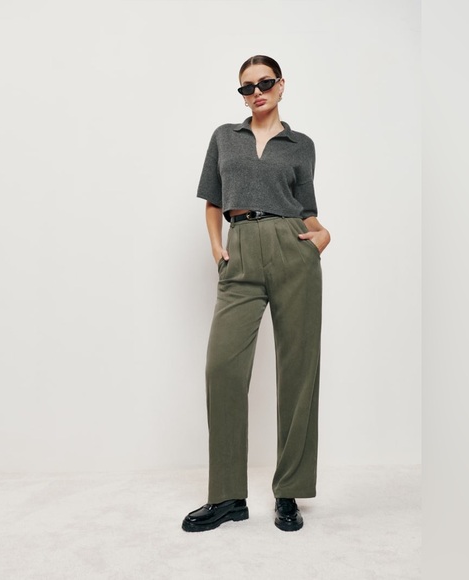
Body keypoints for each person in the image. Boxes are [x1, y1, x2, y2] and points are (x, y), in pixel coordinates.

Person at [181, 55, 331, 533]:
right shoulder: (225, 137)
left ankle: (289, 491)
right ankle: (228, 496)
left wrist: (322, 235)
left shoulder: (301, 145)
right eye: (247, 87)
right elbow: (213, 201)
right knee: (222, 367)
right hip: (241, 249)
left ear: (281, 85)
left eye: (265, 83)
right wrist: (217, 248)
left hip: (293, 249)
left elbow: (306, 208)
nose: (256, 92)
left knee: (298, 371)